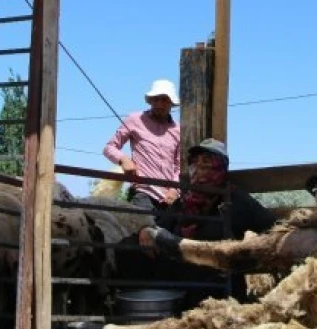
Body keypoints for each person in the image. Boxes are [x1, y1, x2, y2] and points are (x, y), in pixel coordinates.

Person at [130, 139, 277, 309]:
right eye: (194, 166)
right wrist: (146, 229)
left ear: (220, 169)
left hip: (217, 295)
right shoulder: (183, 203)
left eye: (206, 166)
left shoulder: (236, 201)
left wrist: (246, 254)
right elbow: (159, 227)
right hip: (176, 291)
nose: (198, 172)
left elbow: (273, 228)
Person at [102, 79, 182, 210]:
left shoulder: (178, 130)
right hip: (142, 193)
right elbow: (109, 147)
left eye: (164, 99)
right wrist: (123, 160)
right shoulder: (135, 119)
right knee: (144, 229)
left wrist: (174, 190)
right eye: (156, 99)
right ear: (150, 101)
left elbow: (180, 166)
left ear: (171, 103)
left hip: (168, 199)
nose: (159, 103)